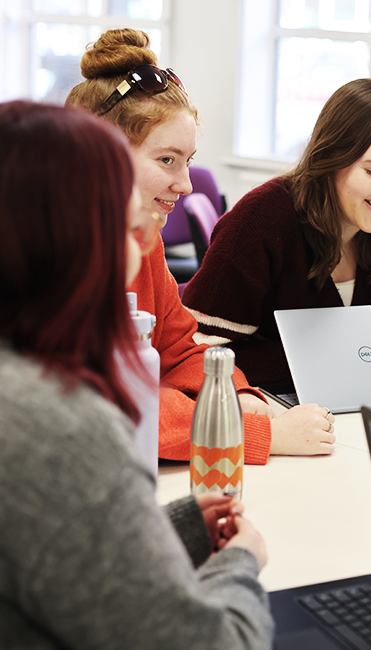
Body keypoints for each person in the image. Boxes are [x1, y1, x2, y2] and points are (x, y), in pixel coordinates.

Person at [0, 100, 273, 649]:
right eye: (128, 232)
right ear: (75, 240)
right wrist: (242, 561)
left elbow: (50, 546)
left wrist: (171, 527)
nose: (141, 251)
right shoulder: (59, 424)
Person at [66, 28, 335, 463]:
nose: (187, 184)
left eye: (187, 161)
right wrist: (255, 432)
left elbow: (179, 346)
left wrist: (238, 393)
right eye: (167, 160)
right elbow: (115, 404)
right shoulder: (55, 255)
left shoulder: (142, 236)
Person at [181, 78, 371, 389]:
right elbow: (199, 352)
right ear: (330, 159)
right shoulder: (260, 219)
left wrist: (333, 364)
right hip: (274, 407)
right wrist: (333, 364)